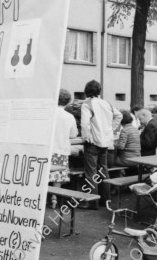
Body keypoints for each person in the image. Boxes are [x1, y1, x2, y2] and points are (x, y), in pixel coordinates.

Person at [81, 80, 122, 208]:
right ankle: (105, 200)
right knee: (103, 171)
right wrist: (109, 129)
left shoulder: (86, 104)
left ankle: (92, 202)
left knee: (91, 172)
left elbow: (84, 123)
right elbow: (119, 116)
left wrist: (86, 136)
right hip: (105, 141)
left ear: (86, 91)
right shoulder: (107, 103)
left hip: (92, 142)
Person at [49, 89, 78, 208]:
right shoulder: (69, 116)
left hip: (49, 149)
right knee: (58, 174)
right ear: (67, 102)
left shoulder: (49, 113)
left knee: (46, 172)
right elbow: (73, 134)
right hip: (62, 148)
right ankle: (54, 197)